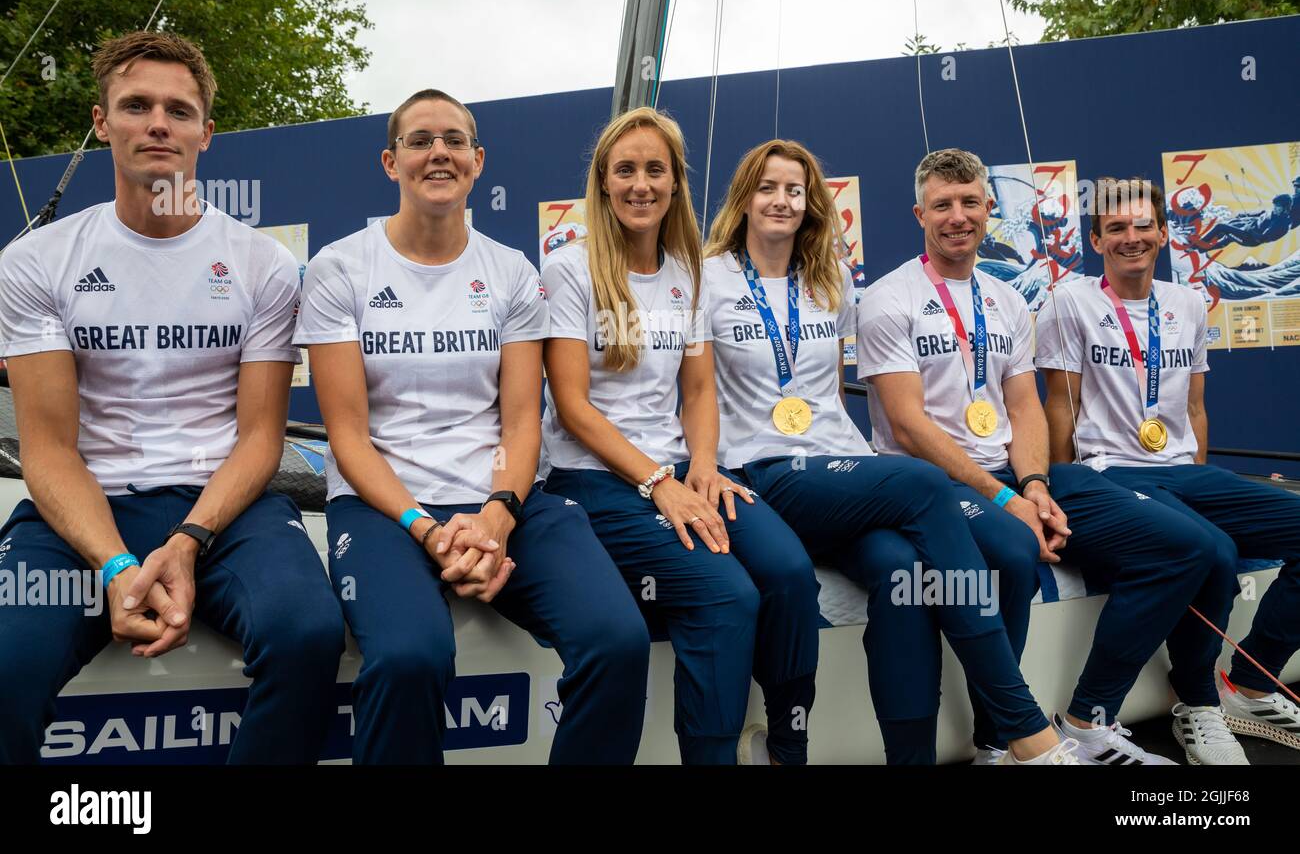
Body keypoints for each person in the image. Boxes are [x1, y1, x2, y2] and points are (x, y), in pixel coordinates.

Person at [0, 31, 343, 763]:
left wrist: (188, 542)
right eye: (137, 105)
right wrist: (119, 566)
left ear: (206, 133)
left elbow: (260, 437)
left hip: (224, 510)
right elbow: (50, 449)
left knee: (309, 635)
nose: (159, 122)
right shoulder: (35, 262)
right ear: (102, 122)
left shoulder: (264, 266)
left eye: (179, 110)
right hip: (82, 509)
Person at [295, 88, 650, 764]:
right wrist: (425, 529)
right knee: (409, 658)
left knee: (617, 641)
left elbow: (521, 424)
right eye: (421, 140)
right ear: (390, 161)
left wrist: (496, 515)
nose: (439, 153)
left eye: (454, 141)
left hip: (504, 497)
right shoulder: (342, 268)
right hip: (385, 507)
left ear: (478, 161)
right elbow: (347, 437)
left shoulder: (511, 272)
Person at [704, 138, 1077, 765]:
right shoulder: (705, 277)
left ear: (812, 203)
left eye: (794, 189)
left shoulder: (829, 280)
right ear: (744, 198)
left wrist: (1029, 483)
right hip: (764, 470)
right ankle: (1024, 728)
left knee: (903, 575)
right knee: (922, 482)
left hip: (838, 469)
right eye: (766, 187)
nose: (781, 199)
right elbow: (690, 389)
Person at [858, 147, 1223, 765]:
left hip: (1016, 473)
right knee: (1013, 551)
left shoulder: (1005, 299)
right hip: (933, 479)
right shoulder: (888, 297)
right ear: (919, 213)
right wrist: (1003, 496)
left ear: (989, 208)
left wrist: (1032, 484)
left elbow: (1025, 408)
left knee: (1189, 546)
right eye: (942, 205)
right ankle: (999, 744)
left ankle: (1091, 716)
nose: (958, 216)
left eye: (970, 202)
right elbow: (907, 423)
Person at [541, 107, 826, 765]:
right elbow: (574, 407)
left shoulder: (688, 269)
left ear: (675, 182)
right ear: (603, 183)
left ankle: (788, 743)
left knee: (788, 572)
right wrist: (658, 484)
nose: (641, 184)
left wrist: (702, 465)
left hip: (675, 470)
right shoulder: (571, 269)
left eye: (655, 170)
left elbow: (698, 391)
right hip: (594, 481)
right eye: (626, 170)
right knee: (727, 594)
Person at [1037, 176, 1300, 763]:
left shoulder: (1186, 301)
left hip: (1180, 471)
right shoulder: (1070, 302)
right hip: (1107, 473)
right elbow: (1059, 402)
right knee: (1210, 550)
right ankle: (1197, 702)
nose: (1132, 238)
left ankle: (1253, 683)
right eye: (1116, 228)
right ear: (1096, 239)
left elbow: (1195, 408)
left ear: (1162, 231)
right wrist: (1058, 486)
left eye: (1142, 226)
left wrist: (1198, 481)